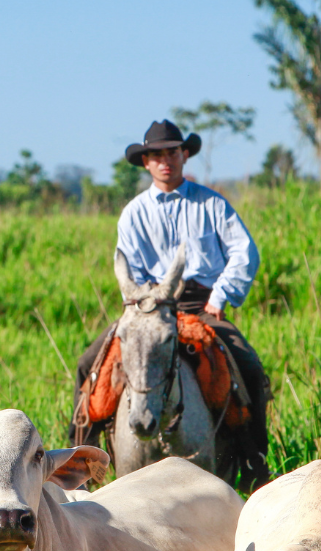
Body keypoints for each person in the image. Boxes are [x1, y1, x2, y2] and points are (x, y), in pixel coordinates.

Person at [69, 118, 270, 490]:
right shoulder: (133, 213)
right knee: (89, 368)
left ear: (184, 155)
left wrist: (220, 297)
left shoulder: (212, 203)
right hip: (146, 306)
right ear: (146, 162)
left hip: (201, 304)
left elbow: (245, 251)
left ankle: (254, 462)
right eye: (157, 154)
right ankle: (79, 465)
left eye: (172, 152)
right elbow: (128, 269)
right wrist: (144, 305)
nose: (166, 160)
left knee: (249, 367)